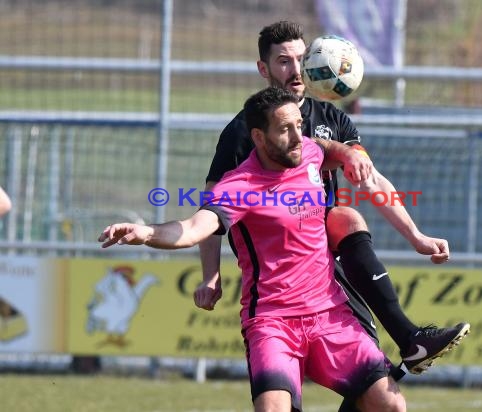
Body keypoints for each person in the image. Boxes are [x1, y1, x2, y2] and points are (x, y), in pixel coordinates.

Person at [100, 87, 406, 412]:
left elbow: (323, 148)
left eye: (299, 125)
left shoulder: (307, 153)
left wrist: (347, 153)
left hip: (329, 314)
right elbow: (193, 228)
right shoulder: (239, 186)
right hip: (273, 322)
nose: (297, 136)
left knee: (390, 404)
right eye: (285, 129)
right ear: (259, 137)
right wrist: (147, 232)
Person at [195, 21, 469, 378]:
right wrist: (210, 276)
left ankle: (409, 338)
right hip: (280, 270)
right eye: (283, 61)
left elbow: (370, 178)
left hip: (325, 255)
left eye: (301, 58)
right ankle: (409, 338)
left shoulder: (332, 119)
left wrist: (415, 236)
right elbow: (210, 206)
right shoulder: (244, 131)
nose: (295, 70)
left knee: (375, 377)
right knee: (370, 377)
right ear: (263, 69)